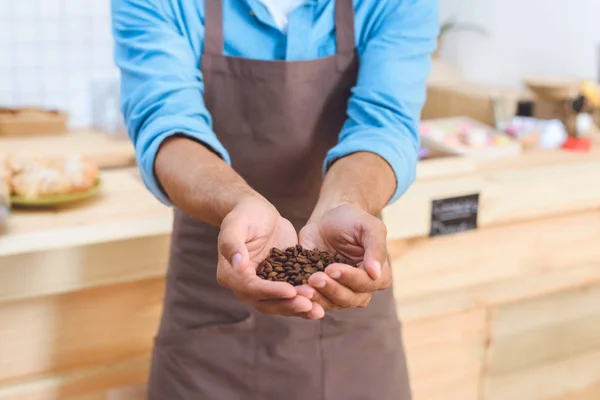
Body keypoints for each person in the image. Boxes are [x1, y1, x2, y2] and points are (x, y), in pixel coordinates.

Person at [112, 0, 438, 398]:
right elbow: (164, 122)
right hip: (212, 296)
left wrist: (344, 202)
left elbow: (386, 124)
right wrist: (237, 203)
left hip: (346, 289)